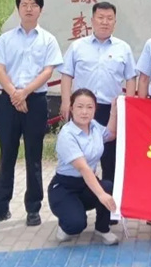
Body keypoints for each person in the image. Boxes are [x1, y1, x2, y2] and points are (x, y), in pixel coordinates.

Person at [0, 0, 63, 228]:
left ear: (41, 9)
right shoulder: (6, 39)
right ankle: (1, 208)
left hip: (35, 101)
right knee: (6, 155)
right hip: (8, 102)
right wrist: (14, 94)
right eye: (24, 4)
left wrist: (25, 93)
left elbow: (48, 71)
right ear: (18, 8)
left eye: (33, 5)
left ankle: (33, 208)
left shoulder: (48, 39)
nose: (29, 8)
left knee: (33, 157)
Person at [59, 1, 136, 182]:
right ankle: (81, 194)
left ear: (115, 22)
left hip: (111, 110)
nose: (105, 22)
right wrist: (66, 102)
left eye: (109, 18)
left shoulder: (123, 48)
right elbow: (66, 75)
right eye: (100, 17)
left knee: (111, 158)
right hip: (82, 109)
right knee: (81, 156)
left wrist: (128, 107)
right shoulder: (78, 46)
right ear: (92, 20)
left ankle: (108, 197)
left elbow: (131, 78)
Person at [48, 88, 119, 245]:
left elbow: (111, 134)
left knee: (108, 186)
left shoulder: (94, 126)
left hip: (86, 185)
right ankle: (65, 224)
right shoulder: (67, 134)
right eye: (79, 107)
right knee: (76, 224)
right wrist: (101, 195)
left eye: (89, 107)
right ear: (71, 108)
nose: (84, 112)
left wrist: (114, 110)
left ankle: (102, 229)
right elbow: (83, 168)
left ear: (95, 109)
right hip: (65, 186)